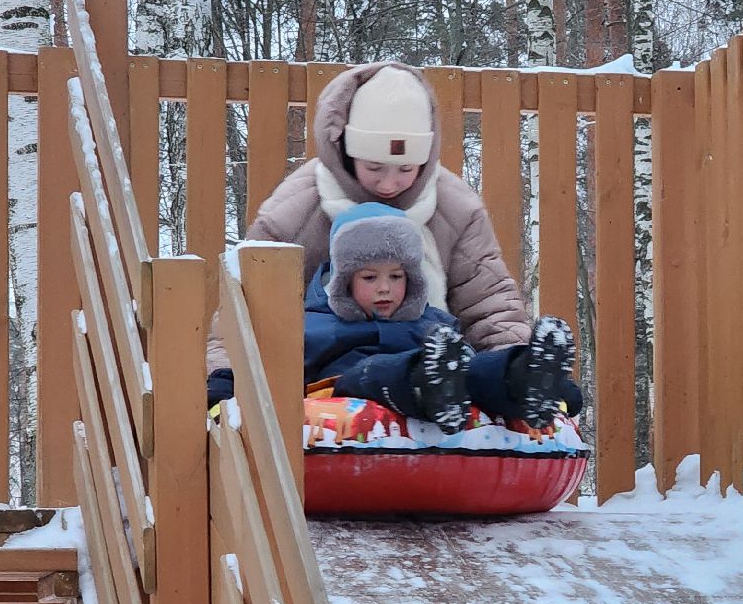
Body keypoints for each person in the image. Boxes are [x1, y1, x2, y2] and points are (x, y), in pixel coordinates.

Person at [208, 60, 534, 397]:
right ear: (348, 154)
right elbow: (246, 307)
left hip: (434, 356)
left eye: (406, 168)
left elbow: (488, 301)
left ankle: (525, 380)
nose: (389, 184)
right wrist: (226, 377)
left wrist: (510, 360)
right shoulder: (299, 208)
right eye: (374, 167)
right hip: (334, 374)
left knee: (481, 371)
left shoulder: (454, 208)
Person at [296, 203, 582, 431]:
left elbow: (471, 362)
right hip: (351, 386)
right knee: (370, 373)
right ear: (343, 280)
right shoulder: (318, 323)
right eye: (369, 277)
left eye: (396, 276)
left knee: (471, 369)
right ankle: (428, 383)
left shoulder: (432, 322)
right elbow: (285, 373)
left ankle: (526, 377)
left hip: (446, 377)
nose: (385, 288)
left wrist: (560, 389)